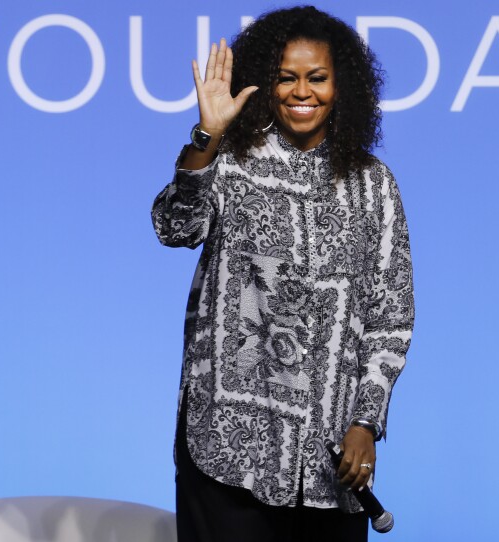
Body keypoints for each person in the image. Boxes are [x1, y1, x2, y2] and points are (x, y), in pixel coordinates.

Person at [151, 6, 414, 541]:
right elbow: (175, 226)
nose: (302, 91)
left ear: (342, 85)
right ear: (266, 84)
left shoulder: (373, 185)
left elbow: (392, 316)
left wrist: (365, 423)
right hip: (226, 448)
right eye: (286, 77)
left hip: (328, 463)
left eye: (316, 77)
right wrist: (207, 136)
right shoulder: (232, 161)